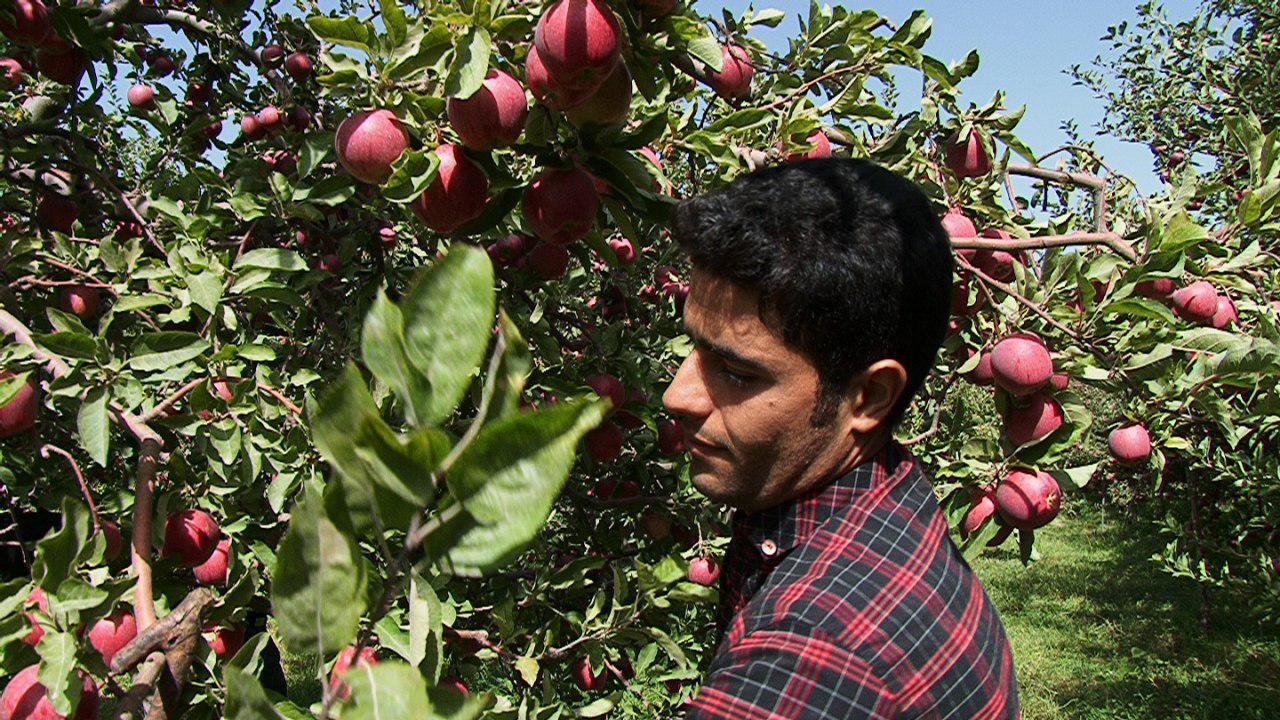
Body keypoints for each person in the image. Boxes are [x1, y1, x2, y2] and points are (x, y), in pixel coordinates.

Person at [662, 157, 1020, 719]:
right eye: (694, 346)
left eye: (737, 373)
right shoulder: (892, 501)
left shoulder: (812, 655)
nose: (676, 395)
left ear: (869, 397)